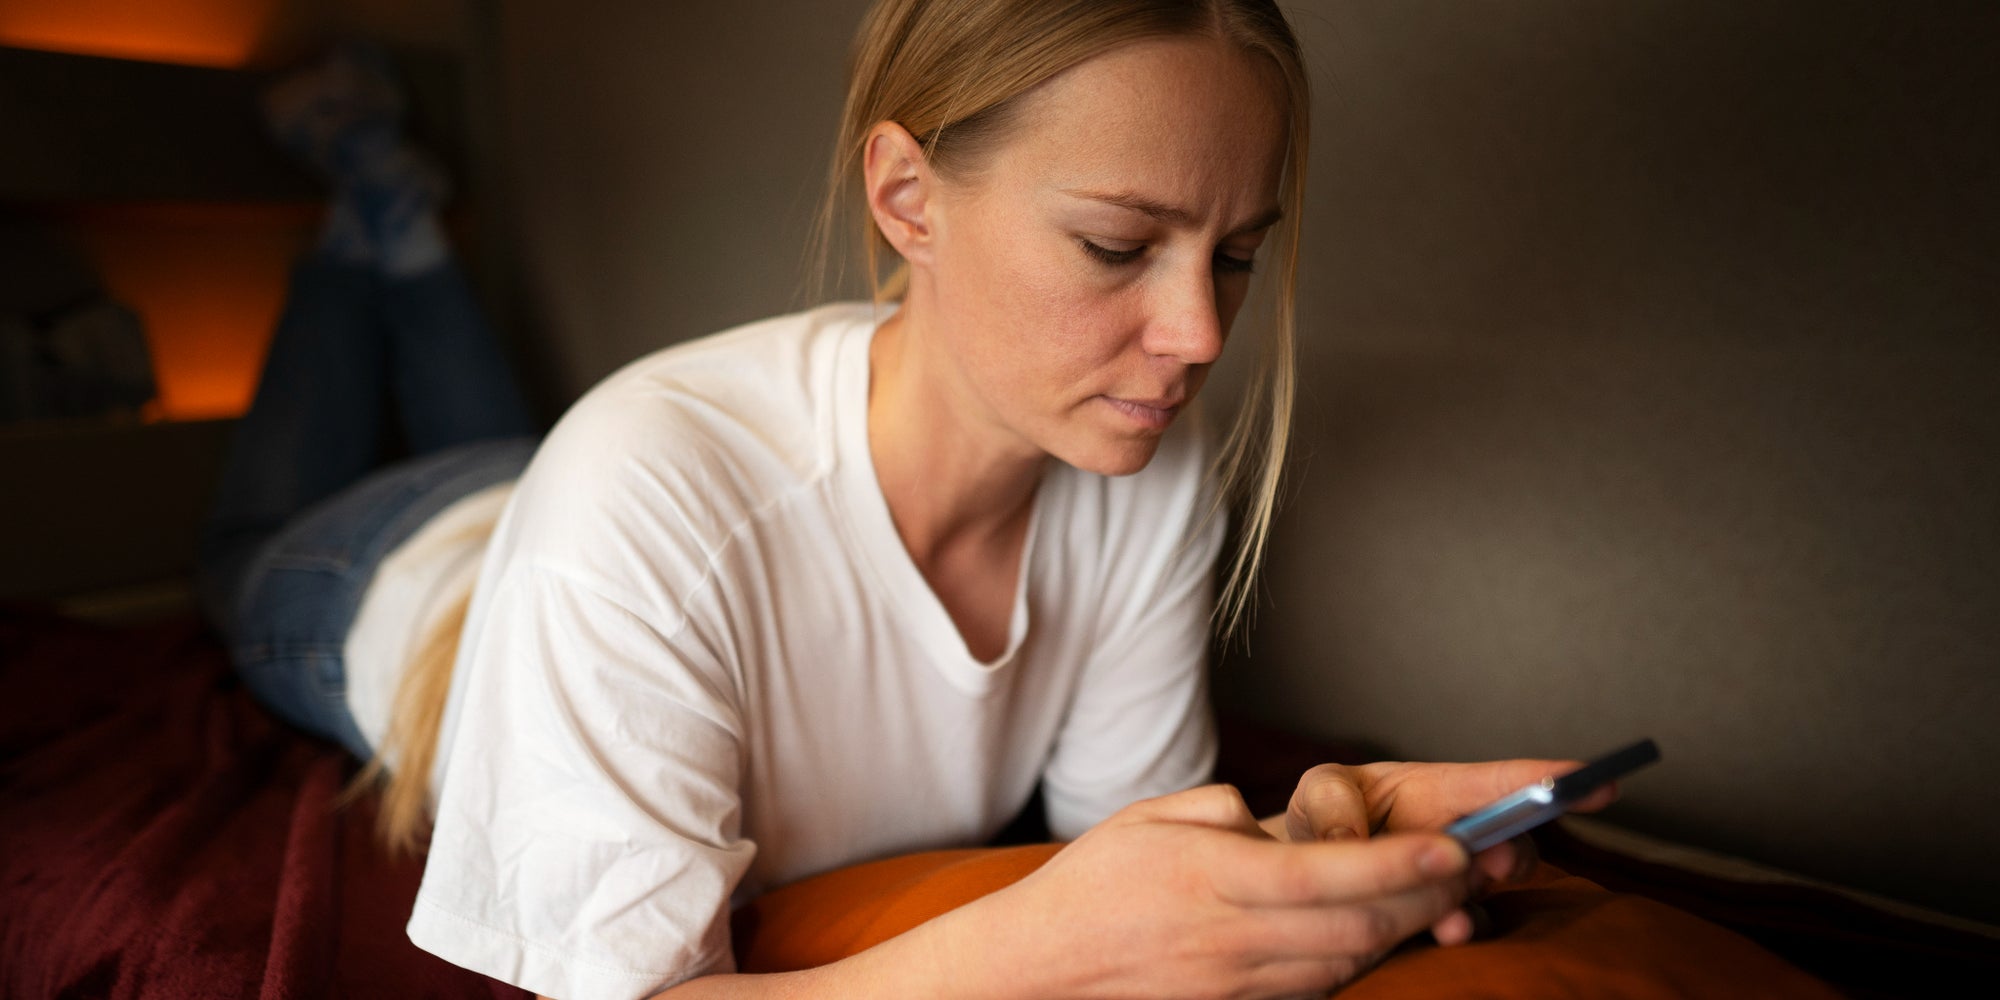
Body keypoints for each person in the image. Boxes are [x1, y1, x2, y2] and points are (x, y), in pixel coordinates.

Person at [201, 5, 1615, 999]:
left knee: (518, 440)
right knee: (243, 544)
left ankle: (388, 209)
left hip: (568, 505)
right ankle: (370, 205)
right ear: (908, 196)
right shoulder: (636, 501)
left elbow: (1122, 851)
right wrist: (1039, 957)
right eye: (1119, 245)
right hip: (391, 577)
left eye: (1236, 253)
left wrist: (1326, 831)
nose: (1196, 334)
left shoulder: (1146, 463)